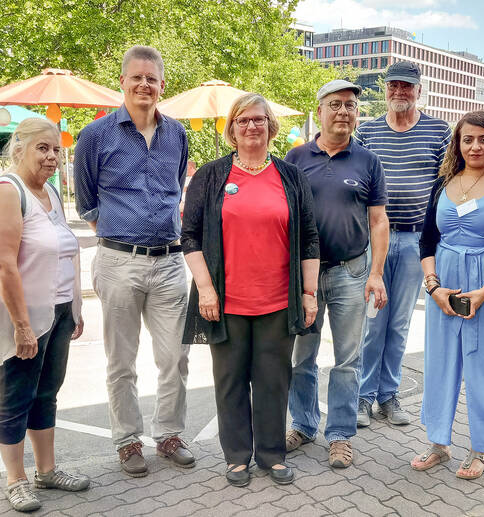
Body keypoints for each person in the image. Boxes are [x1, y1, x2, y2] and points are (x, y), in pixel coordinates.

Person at [182, 92, 320, 487]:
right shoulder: (211, 176)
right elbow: (189, 236)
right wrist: (205, 289)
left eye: (259, 119)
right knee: (230, 381)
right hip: (225, 302)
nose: (252, 126)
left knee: (274, 380)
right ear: (232, 129)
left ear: (270, 126)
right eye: (243, 120)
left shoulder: (291, 176)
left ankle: (272, 455)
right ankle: (237, 457)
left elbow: (309, 238)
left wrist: (308, 293)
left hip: (279, 300)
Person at [74, 45, 193, 477]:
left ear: (163, 85)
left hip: (169, 261)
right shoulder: (96, 135)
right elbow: (86, 201)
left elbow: (176, 186)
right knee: (121, 361)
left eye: (152, 78)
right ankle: (127, 441)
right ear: (122, 81)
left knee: (176, 357)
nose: (145, 84)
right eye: (137, 77)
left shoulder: (177, 134)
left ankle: (169, 435)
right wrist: (115, 236)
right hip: (119, 260)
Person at [412, 111, 484, 480]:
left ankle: (481, 449)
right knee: (441, 364)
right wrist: (433, 287)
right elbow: (427, 239)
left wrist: (483, 293)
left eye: (483, 139)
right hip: (444, 283)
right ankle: (438, 444)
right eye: (467, 139)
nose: (475, 146)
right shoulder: (444, 180)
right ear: (457, 144)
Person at [283, 80, 389, 468]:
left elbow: (379, 221)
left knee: (347, 360)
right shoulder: (294, 158)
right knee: (300, 358)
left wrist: (376, 273)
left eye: (350, 105)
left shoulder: (368, 161)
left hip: (350, 272)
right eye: (335, 105)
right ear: (321, 110)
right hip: (305, 279)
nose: (344, 112)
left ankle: (341, 434)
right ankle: (304, 424)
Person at [0, 118, 89, 512]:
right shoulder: (8, 190)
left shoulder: (48, 190)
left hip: (59, 310)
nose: (51, 157)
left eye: (56, 149)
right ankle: (15, 480)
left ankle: (46, 472)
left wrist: (76, 309)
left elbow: (64, 252)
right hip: (25, 316)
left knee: (47, 393)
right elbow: (6, 266)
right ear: (20, 149)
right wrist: (21, 326)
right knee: (16, 396)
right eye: (42, 148)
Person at [355, 61, 452, 427]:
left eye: (406, 87)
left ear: (419, 90)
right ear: (386, 89)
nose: (399, 92)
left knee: (399, 323)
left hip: (417, 240)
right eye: (393, 85)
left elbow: (447, 185)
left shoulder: (439, 131)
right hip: (374, 239)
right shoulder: (368, 132)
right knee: (372, 321)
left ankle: (389, 396)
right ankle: (363, 397)